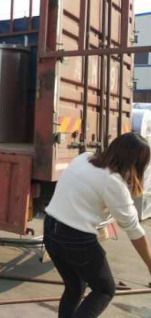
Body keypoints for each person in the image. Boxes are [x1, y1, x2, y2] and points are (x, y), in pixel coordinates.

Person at [44, 132, 151, 317]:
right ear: (135, 163)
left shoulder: (84, 158)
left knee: (75, 286)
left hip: (50, 231)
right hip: (76, 240)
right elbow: (134, 229)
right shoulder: (113, 182)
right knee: (105, 290)